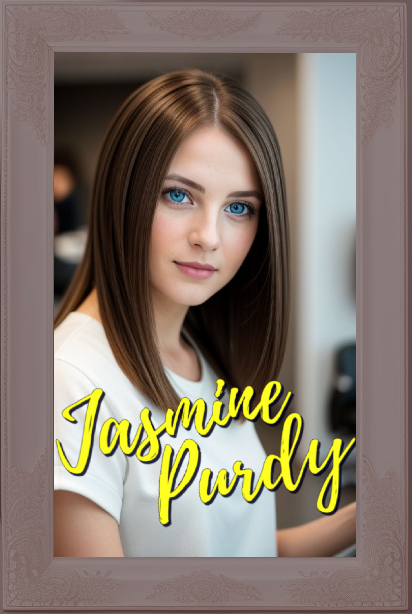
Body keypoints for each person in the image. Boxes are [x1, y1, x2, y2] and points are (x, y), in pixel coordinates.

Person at [54, 68, 356, 558]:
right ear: (121, 196)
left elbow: (240, 552)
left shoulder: (196, 354)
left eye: (239, 208)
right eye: (179, 195)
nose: (209, 236)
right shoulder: (70, 380)